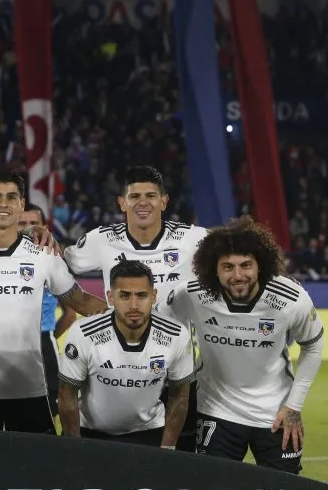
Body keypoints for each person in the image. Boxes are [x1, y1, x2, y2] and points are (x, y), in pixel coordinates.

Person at [0, 171, 107, 433]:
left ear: (21, 204)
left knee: (36, 470)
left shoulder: (43, 255)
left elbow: (80, 301)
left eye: (12, 197)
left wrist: (125, 316)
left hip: (30, 388)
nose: (3, 204)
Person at [63, 165, 207, 452]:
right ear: (122, 202)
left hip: (175, 361)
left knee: (182, 459)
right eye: (135, 196)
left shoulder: (193, 240)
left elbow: (239, 254)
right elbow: (57, 264)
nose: (143, 202)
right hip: (122, 364)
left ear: (164, 201)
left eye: (151, 196)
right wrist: (84, 302)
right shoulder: (101, 239)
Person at [166, 217, 323, 474]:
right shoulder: (192, 294)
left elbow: (313, 346)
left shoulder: (291, 298)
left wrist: (294, 406)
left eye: (246, 265)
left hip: (276, 415)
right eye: (227, 267)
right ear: (213, 269)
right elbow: (162, 326)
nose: (238, 276)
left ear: (260, 265)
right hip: (216, 411)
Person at [58, 261, 195, 448]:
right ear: (110, 297)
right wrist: (73, 446)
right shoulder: (83, 333)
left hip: (149, 433)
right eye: (124, 296)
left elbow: (179, 396)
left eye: (142, 295)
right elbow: (67, 395)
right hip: (90, 433)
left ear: (154, 296)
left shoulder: (176, 335)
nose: (134, 305)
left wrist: (168, 448)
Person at [20, 203, 77, 423]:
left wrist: (49, 335)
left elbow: (70, 314)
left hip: (44, 347)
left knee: (46, 415)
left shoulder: (53, 260)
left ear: (43, 226)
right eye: (21, 223)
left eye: (32, 223)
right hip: (3, 346)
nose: (27, 228)